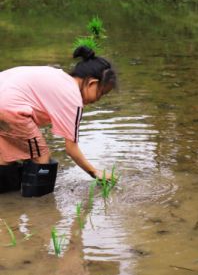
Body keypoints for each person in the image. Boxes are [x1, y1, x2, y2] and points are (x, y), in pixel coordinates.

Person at [0, 46, 117, 197]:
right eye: (101, 93)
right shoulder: (73, 98)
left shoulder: (59, 76)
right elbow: (71, 148)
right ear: (92, 83)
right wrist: (94, 172)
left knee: (6, 154)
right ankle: (38, 208)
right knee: (41, 156)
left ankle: (7, 203)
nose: (97, 100)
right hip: (9, 107)